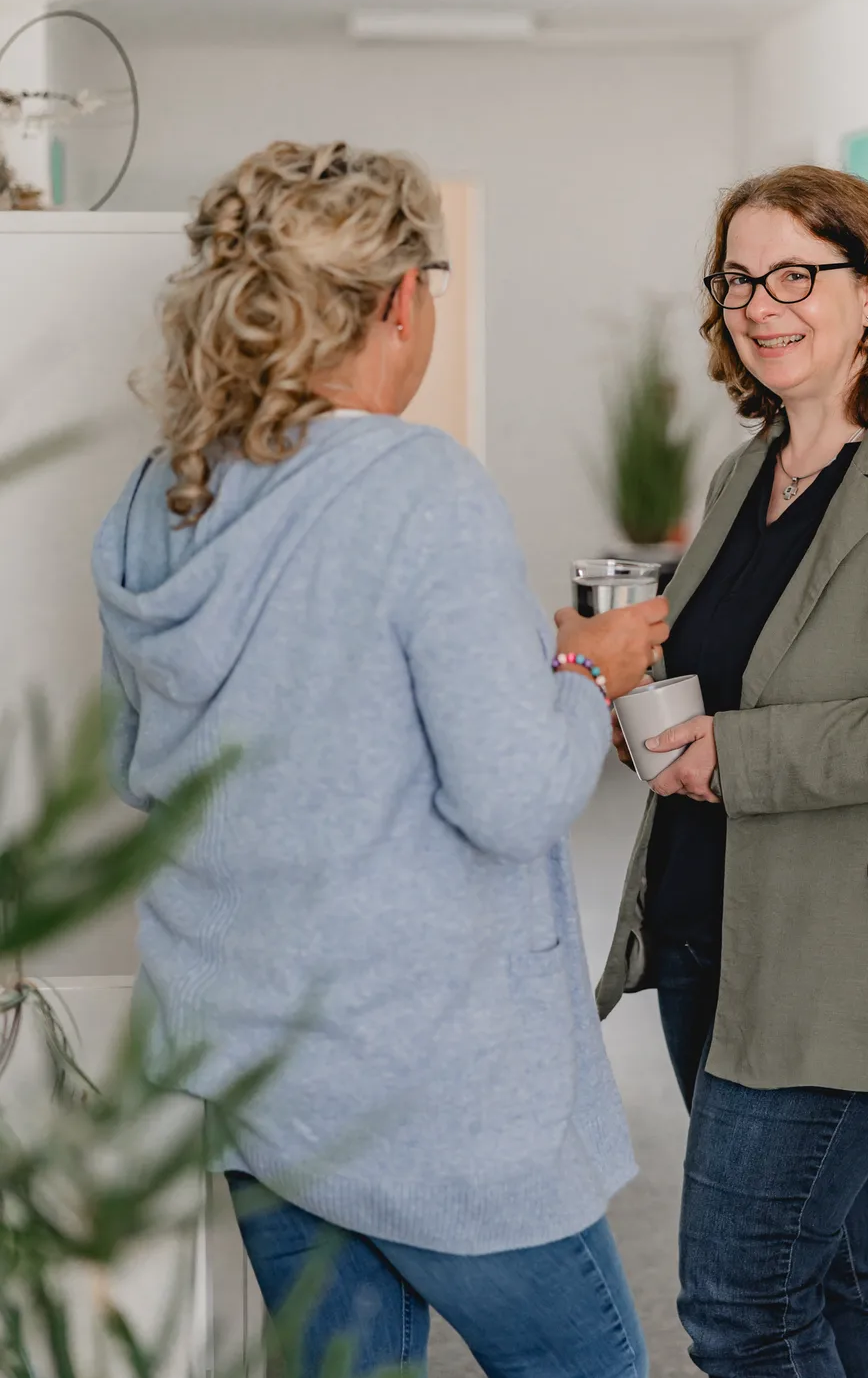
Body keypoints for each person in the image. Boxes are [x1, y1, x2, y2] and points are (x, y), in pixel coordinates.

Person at [93, 140, 666, 1378]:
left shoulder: (163, 488)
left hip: (255, 1065)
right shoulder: (418, 485)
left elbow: (138, 765)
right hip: (432, 1074)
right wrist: (583, 669)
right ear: (403, 298)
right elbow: (515, 796)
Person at [598, 165, 868, 1378]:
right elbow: (731, 671)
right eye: (740, 276)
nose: (763, 301)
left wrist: (740, 753)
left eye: (798, 271)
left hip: (851, 956)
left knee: (742, 1302)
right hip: (717, 931)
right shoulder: (746, 474)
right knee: (834, 1270)